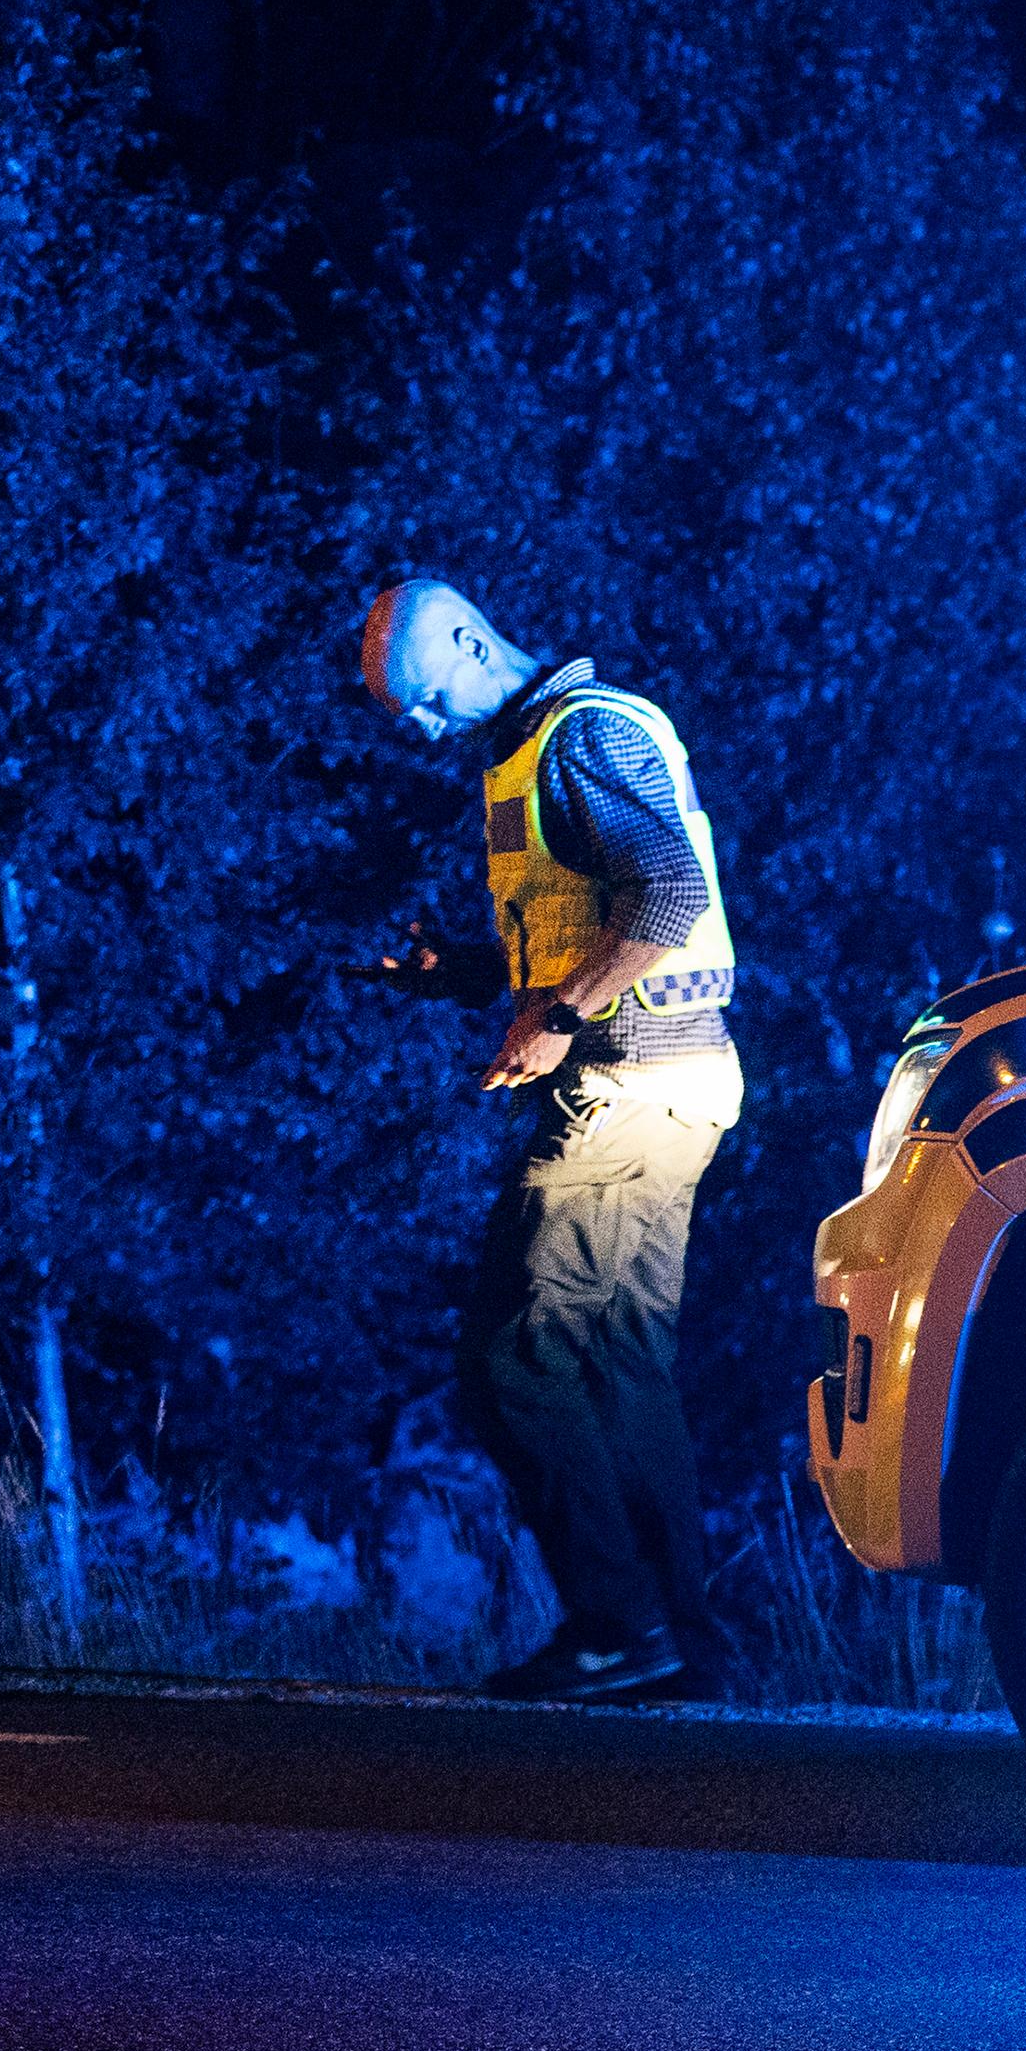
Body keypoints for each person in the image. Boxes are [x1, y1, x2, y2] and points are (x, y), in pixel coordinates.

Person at [357, 582, 745, 1702]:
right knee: (619, 1360)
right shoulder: (532, 753)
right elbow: (593, 925)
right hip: (667, 1076)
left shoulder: (584, 736)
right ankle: (682, 1639)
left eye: (426, 700)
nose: (423, 731)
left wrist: (562, 1014)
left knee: (517, 1358)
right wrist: (464, 975)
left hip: (629, 1078)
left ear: (473, 641)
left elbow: (668, 891)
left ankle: (618, 1626)